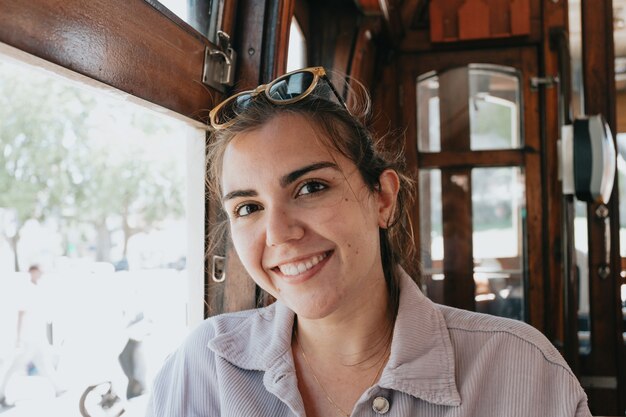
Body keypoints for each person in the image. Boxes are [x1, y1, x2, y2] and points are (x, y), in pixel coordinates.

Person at [146, 67, 591, 416]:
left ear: (383, 198)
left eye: (311, 188)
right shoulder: (204, 369)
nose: (280, 233)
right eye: (248, 207)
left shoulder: (523, 371)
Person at [0, 265, 64, 407]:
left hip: (36, 336)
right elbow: (21, 314)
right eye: (37, 272)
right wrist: (18, 337)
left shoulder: (37, 288)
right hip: (28, 336)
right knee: (16, 365)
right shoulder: (27, 289)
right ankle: (1, 393)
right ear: (31, 272)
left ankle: (58, 388)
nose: (40, 274)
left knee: (44, 364)